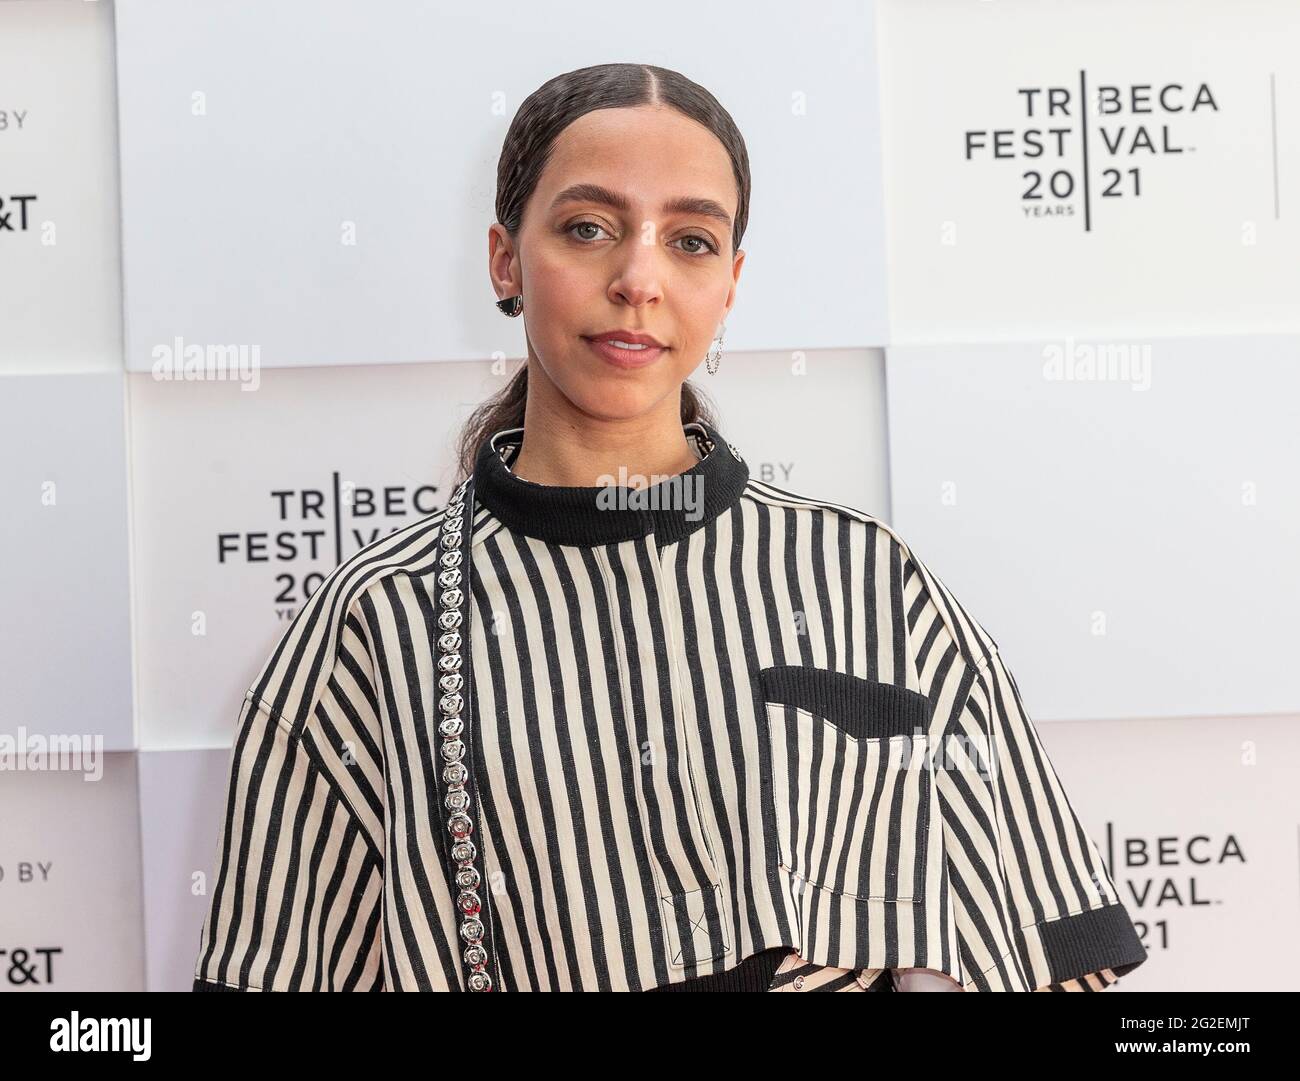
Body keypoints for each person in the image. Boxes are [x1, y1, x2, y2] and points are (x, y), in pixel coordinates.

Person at [192, 62, 1147, 992]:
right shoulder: (374, 625)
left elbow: (1049, 943)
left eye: (689, 241)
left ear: (729, 283)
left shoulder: (865, 579)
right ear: (505, 260)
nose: (638, 278)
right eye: (589, 227)